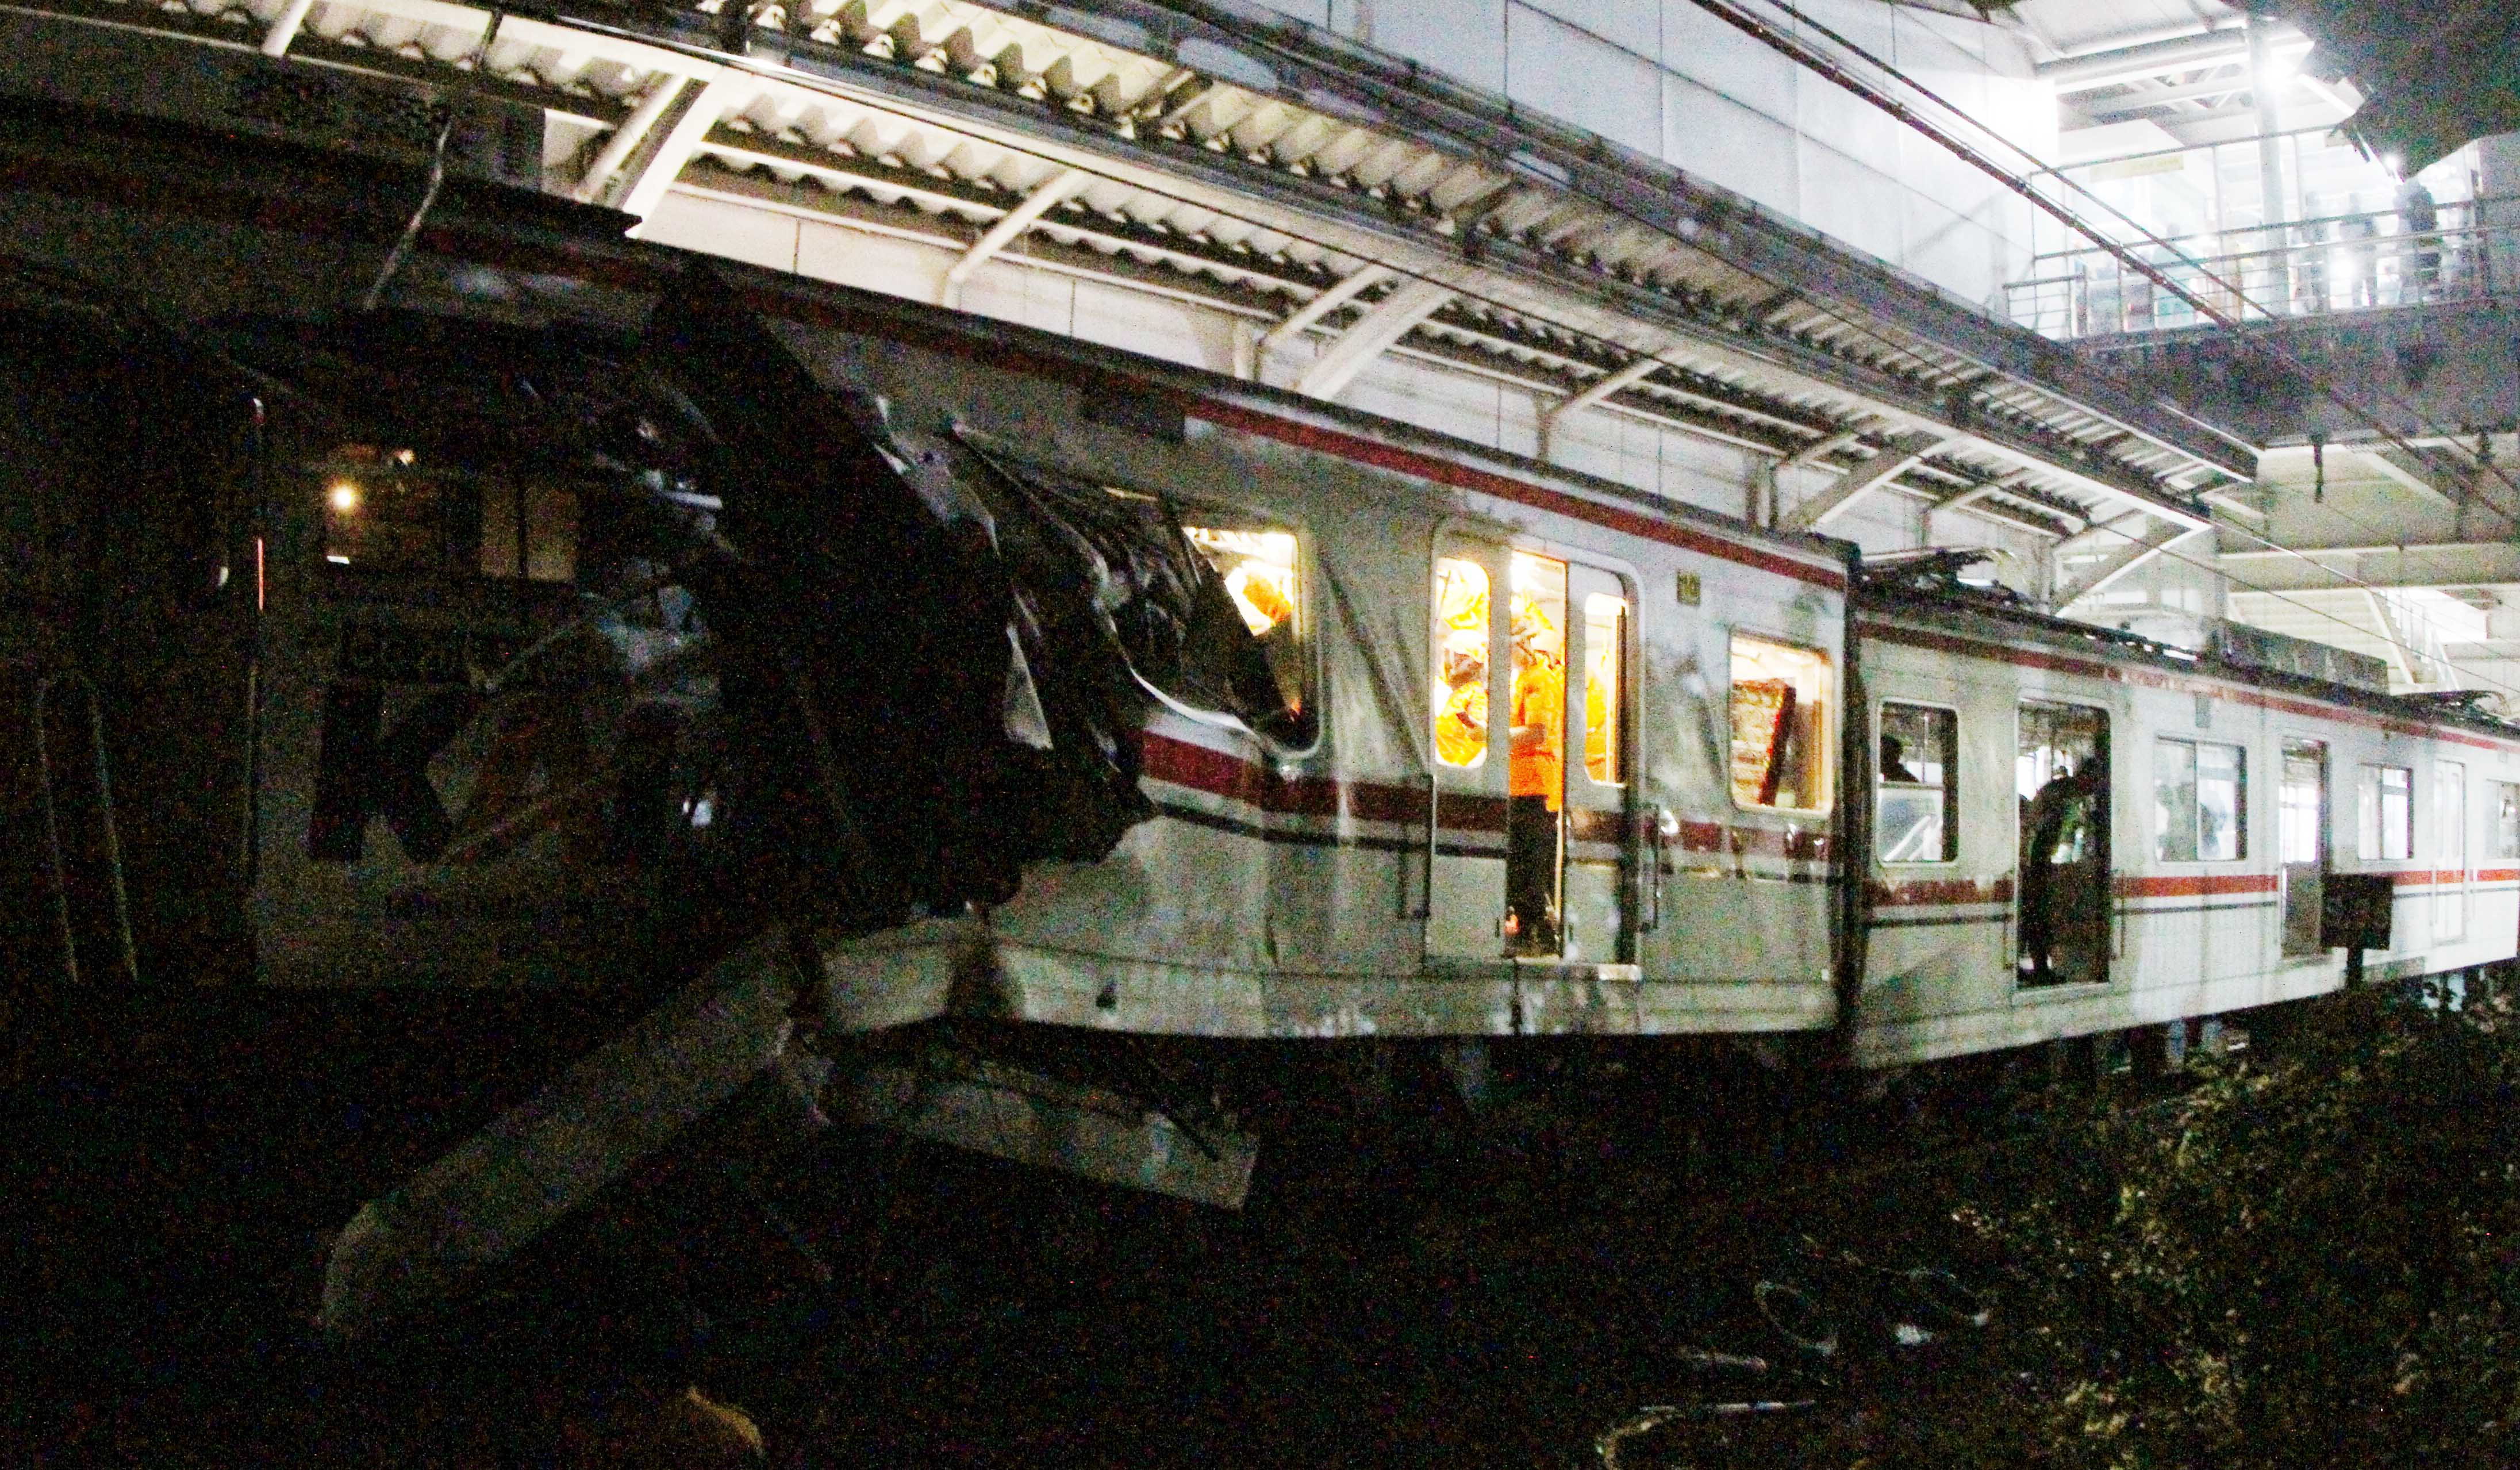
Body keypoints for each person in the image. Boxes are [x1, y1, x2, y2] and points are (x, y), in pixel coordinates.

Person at [1505, 598, 1563, 955]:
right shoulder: (1526, 679)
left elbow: (1538, 732)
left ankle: (1537, 933)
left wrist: (1492, 733)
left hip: (1536, 785)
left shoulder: (1539, 679)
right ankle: (1530, 929)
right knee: (1522, 860)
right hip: (1524, 783)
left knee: (1530, 864)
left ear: (1524, 644)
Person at [2017, 759, 2104, 986]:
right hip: (2038, 861)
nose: (2094, 787)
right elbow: (2042, 828)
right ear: (2086, 777)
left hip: (2039, 860)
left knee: (2036, 915)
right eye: (2093, 781)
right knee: (2037, 915)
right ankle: (2040, 970)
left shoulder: (2066, 792)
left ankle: (2039, 968)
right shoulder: (2067, 795)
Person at [2396, 178, 2441, 301]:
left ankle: (2425, 299)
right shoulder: (2426, 198)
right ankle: (2435, 298)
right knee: (2431, 273)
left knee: (2423, 272)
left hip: (2421, 243)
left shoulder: (2415, 202)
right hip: (2428, 241)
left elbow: (2417, 221)